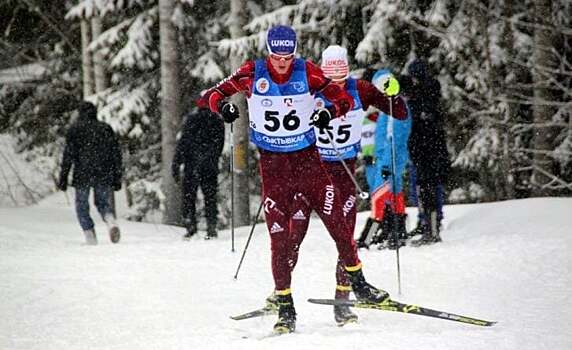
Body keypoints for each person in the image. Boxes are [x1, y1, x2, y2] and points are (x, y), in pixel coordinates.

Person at [199, 26, 407, 334]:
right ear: (268, 53)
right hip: (276, 170)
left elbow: (353, 102)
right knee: (282, 239)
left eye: (288, 57)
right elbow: (209, 96)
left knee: (340, 228)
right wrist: (223, 107)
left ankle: (354, 289)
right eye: (276, 57)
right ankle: (284, 305)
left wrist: (335, 109)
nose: (283, 63)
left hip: (315, 166)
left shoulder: (318, 75)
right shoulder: (251, 73)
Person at [279, 46, 408, 326]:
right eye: (330, 77)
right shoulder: (311, 89)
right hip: (310, 168)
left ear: (347, 70)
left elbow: (398, 113)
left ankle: (343, 302)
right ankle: (280, 295)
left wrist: (394, 94)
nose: (335, 84)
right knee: (292, 237)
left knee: (346, 238)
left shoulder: (360, 89)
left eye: (341, 76)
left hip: (343, 172)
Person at [356, 69, 412, 250]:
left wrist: (388, 163)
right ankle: (397, 233)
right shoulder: (385, 108)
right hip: (383, 158)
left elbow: (395, 138)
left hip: (389, 159)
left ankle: (368, 237)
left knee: (379, 197)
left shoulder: (394, 108)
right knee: (394, 196)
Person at [57, 101, 122, 245]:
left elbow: (68, 156)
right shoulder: (105, 129)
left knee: (82, 205)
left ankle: (89, 235)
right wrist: (117, 177)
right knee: (103, 203)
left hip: (82, 173)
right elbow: (116, 154)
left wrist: (63, 177)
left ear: (80, 113)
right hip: (103, 172)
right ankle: (111, 222)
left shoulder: (75, 130)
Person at [400, 59, 450, 246]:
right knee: (426, 189)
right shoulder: (426, 94)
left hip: (426, 151)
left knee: (427, 189)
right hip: (427, 149)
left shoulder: (423, 96)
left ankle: (432, 229)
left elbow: (422, 121)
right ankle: (428, 226)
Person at [172, 97, 225, 240]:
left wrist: (176, 164)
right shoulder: (217, 120)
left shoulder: (191, 120)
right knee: (210, 197)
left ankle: (191, 227)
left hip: (192, 165)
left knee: (189, 198)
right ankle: (211, 228)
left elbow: (183, 144)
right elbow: (219, 145)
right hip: (209, 166)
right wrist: (212, 158)